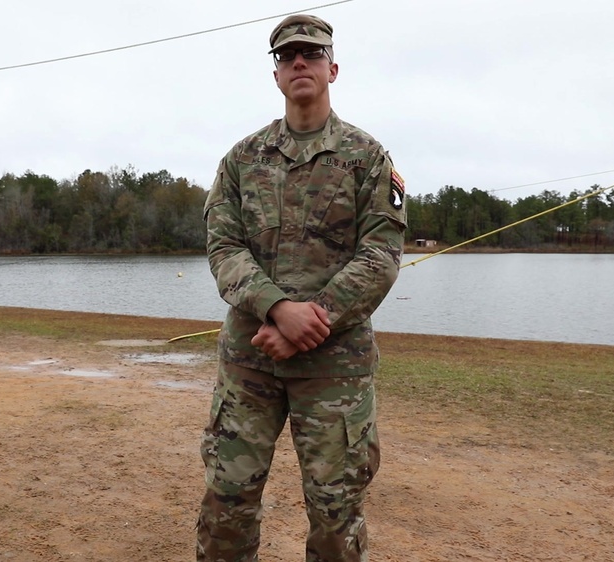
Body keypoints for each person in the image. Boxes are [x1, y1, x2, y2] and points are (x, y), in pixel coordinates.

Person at [197, 14, 408, 562]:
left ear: (332, 69)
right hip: (251, 360)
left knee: (336, 512)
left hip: (334, 366)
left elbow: (381, 256)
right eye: (287, 56)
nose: (299, 63)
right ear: (276, 75)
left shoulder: (367, 158)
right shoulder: (242, 160)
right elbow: (224, 249)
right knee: (228, 501)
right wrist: (276, 308)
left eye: (311, 55)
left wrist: (312, 320)